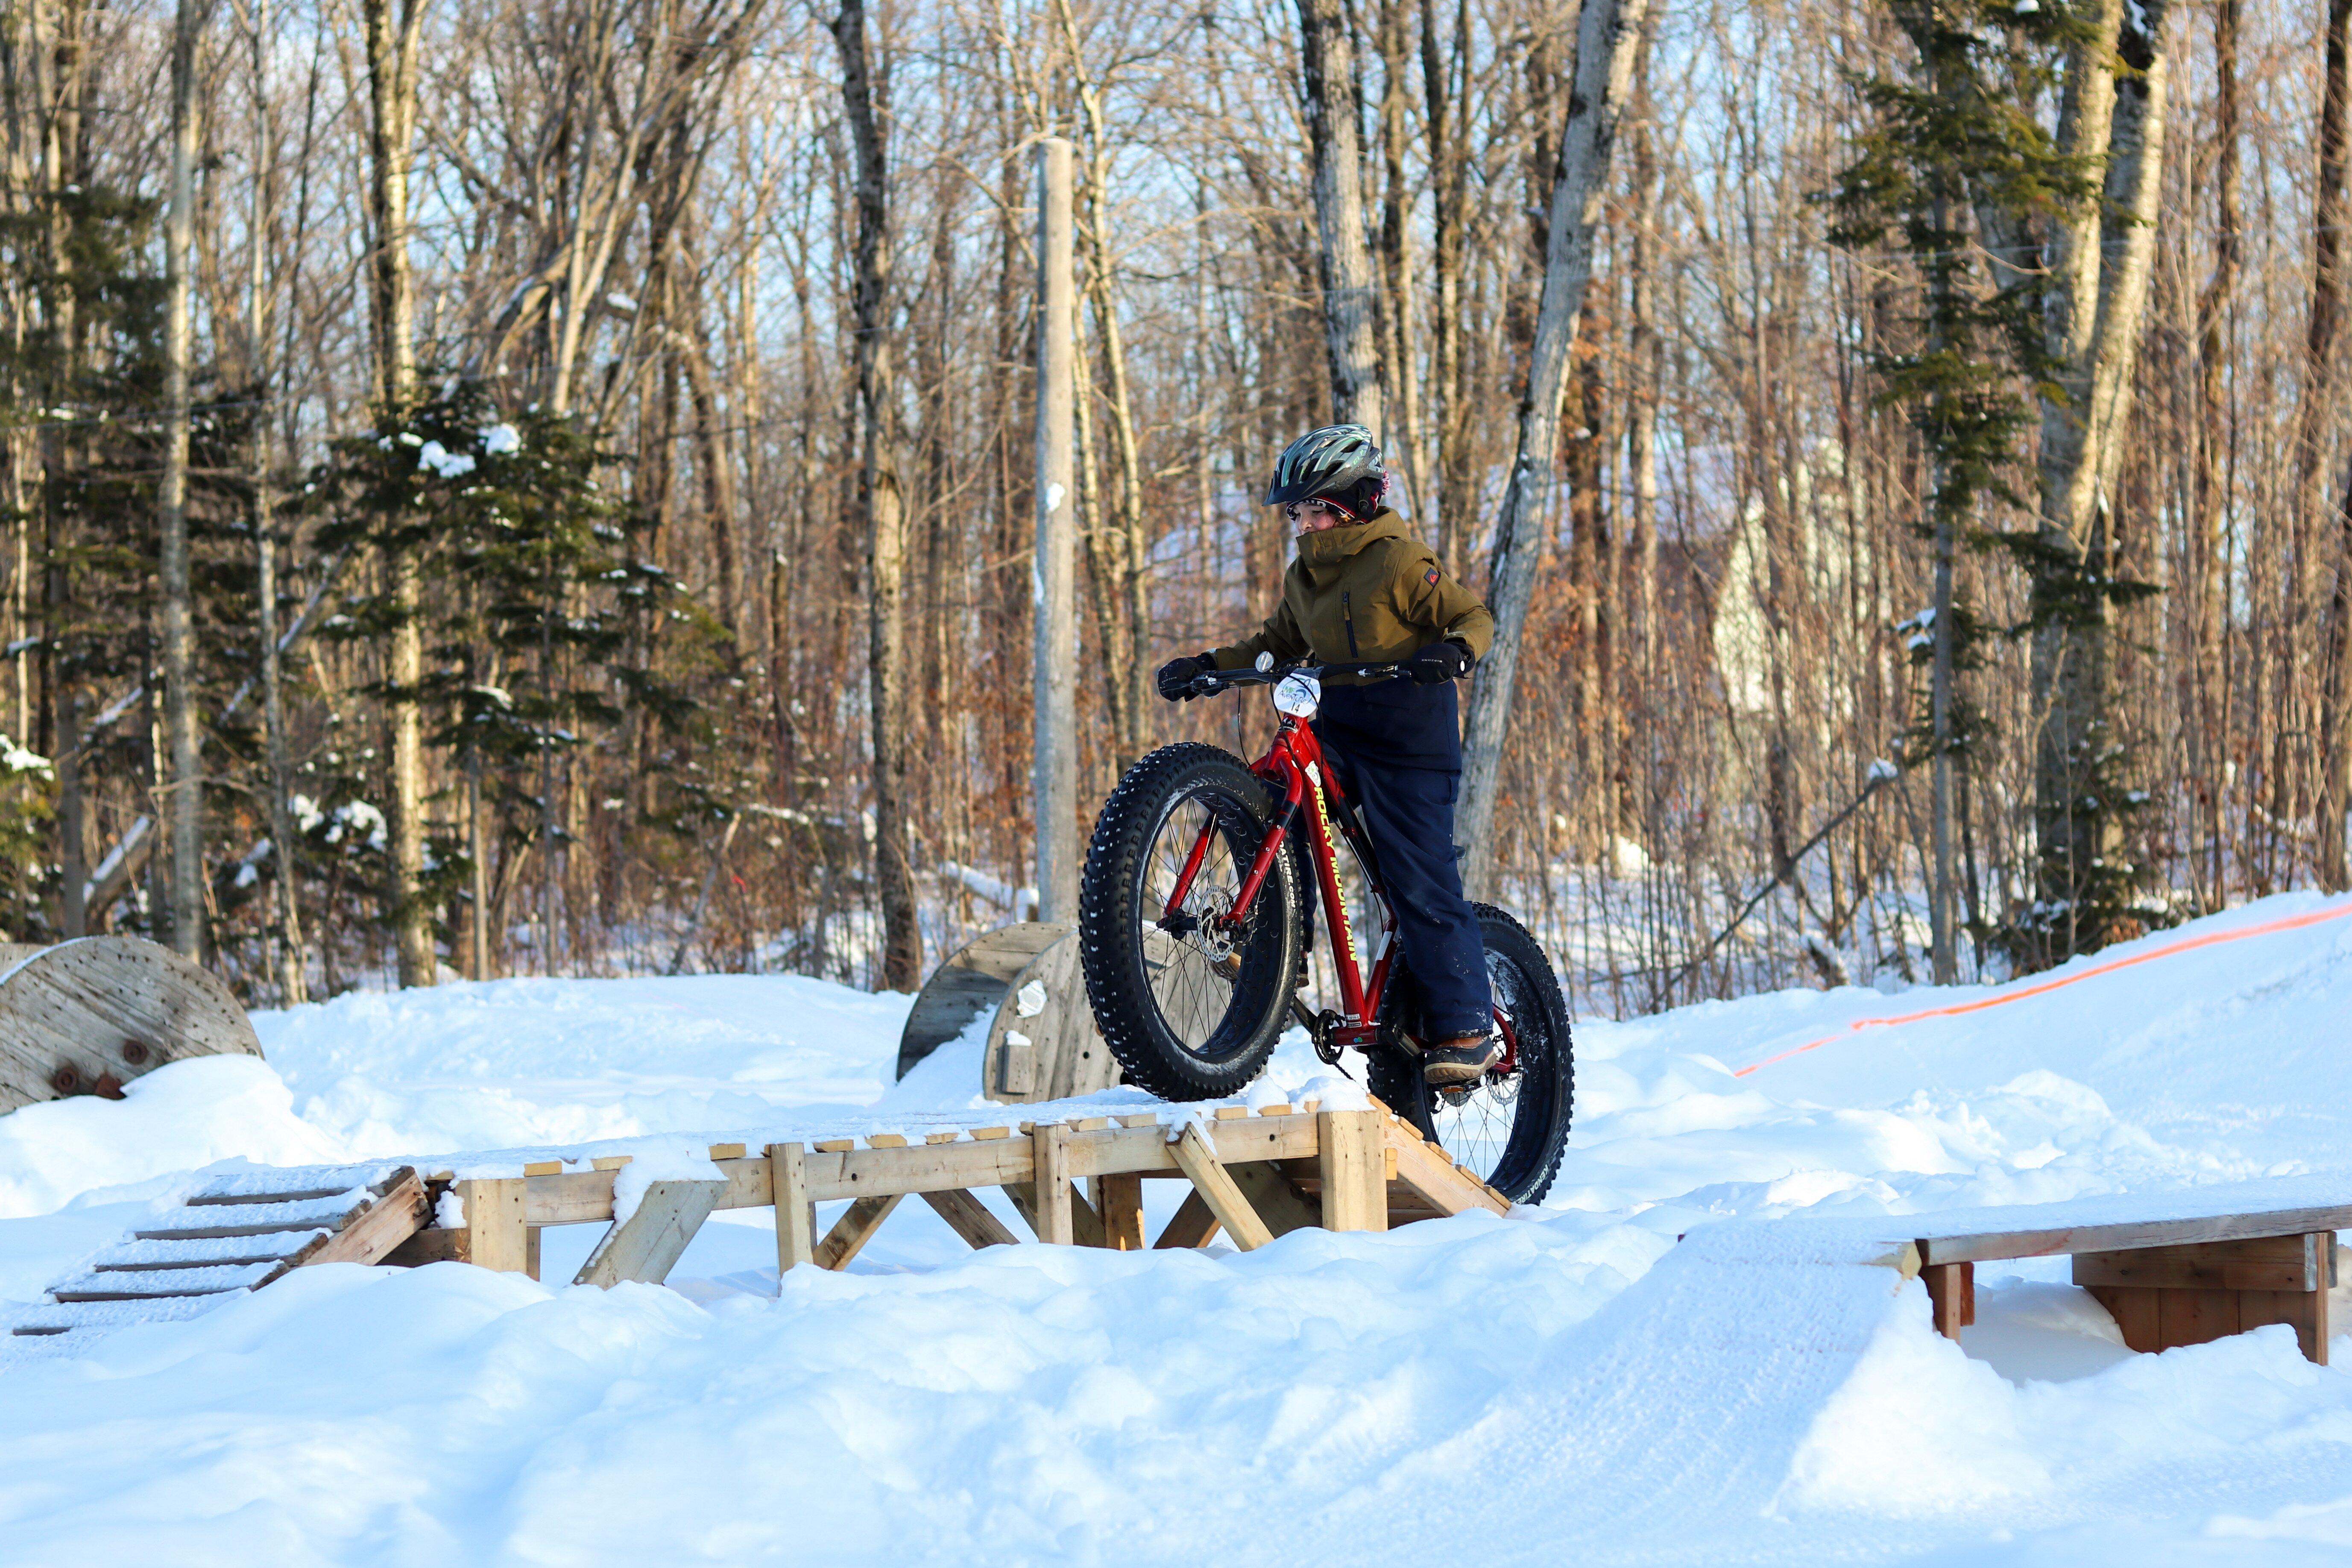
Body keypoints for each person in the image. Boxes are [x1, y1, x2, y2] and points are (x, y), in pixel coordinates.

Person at [1154, 424, 1498, 1086]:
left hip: (1409, 743)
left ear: (1356, 504)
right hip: (1339, 729)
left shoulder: (1400, 561)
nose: (1304, 525)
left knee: (1418, 880)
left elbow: (1471, 615)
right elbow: (1275, 645)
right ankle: (1281, 949)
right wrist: (1206, 667)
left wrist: (1453, 652)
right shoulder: (1304, 575)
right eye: (1297, 513)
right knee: (1272, 803)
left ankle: (1468, 1027)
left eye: (1316, 510)